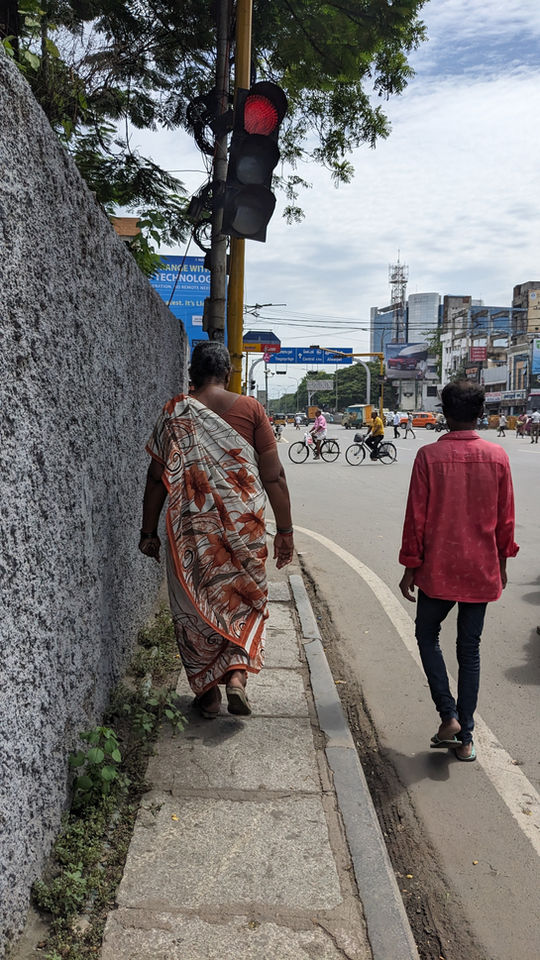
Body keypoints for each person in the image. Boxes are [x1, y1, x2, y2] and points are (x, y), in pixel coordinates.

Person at [139, 342, 294, 719]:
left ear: (192, 374)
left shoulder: (175, 412)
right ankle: (237, 675)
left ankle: (207, 694)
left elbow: (157, 478)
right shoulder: (252, 409)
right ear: (228, 374)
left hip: (191, 529)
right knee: (242, 599)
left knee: (194, 603)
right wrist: (285, 530)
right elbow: (273, 476)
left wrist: (148, 531)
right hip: (247, 526)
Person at [398, 381, 518, 762]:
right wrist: (501, 564)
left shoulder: (428, 457)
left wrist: (409, 568)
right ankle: (465, 739)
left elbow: (416, 518)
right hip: (480, 569)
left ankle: (448, 716)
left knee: (426, 634)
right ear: (481, 414)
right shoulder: (497, 456)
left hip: (438, 568)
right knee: (470, 651)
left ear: (445, 414)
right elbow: (505, 521)